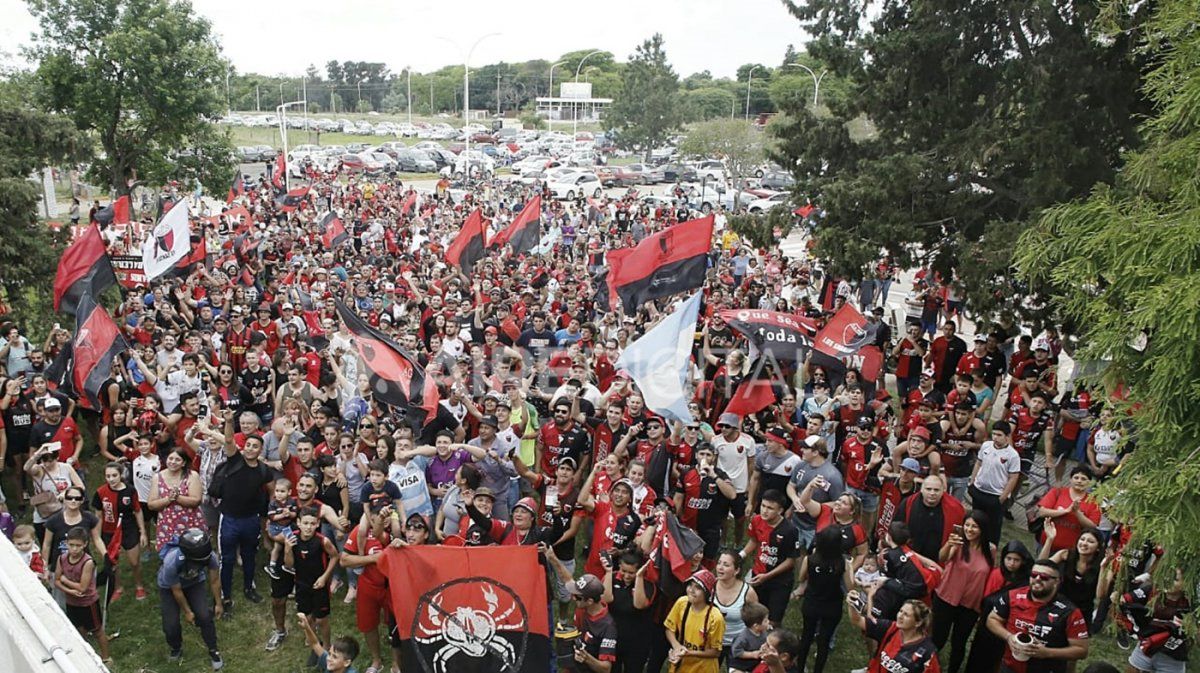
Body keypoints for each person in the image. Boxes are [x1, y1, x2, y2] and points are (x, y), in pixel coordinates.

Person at [214, 408, 275, 614]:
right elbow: (228, 440)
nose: (250, 449)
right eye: (248, 445)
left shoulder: (264, 470)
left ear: (260, 450)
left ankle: (249, 587)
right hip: (229, 519)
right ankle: (225, 594)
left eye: (255, 446)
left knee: (250, 555)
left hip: (250, 519)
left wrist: (271, 513)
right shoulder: (235, 459)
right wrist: (229, 421)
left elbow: (272, 491)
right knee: (227, 559)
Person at [986, 559, 1090, 673]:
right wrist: (1009, 637)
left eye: (1044, 577)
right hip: (1009, 667)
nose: (1038, 579)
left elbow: (1081, 650)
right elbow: (992, 619)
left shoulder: (1069, 612)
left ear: (1057, 581)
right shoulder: (1012, 596)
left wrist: (1047, 653)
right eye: (1034, 575)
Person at [933, 511, 995, 673]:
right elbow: (942, 557)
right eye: (967, 525)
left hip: (970, 605)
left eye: (974, 526)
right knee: (937, 639)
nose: (969, 529)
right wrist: (949, 544)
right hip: (946, 598)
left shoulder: (991, 550)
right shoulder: (958, 543)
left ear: (982, 529)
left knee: (959, 643)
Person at [158, 527, 223, 669]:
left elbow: (214, 581)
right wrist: (187, 611)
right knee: (171, 624)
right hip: (169, 588)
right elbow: (176, 590)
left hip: (195, 583)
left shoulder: (210, 556)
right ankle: (176, 647)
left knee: (204, 616)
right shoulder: (171, 562)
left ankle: (213, 649)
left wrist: (218, 603)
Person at [794, 527, 854, 673]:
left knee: (806, 636)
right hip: (832, 606)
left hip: (812, 603)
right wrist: (851, 568)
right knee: (824, 642)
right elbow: (850, 587)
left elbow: (801, 578)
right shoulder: (842, 563)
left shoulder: (810, 559)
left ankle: (799, 668)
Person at [740, 489, 800, 626]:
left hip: (779, 581)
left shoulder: (789, 531)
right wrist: (741, 555)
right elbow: (754, 540)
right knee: (754, 615)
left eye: (770, 508)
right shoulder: (756, 520)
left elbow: (791, 561)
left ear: (780, 510)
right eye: (763, 506)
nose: (765, 511)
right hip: (758, 575)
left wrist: (767, 576)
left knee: (773, 620)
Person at [92, 461, 149, 601]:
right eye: (108, 476)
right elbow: (98, 516)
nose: (111, 479)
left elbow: (137, 511)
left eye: (114, 475)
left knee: (134, 562)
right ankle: (118, 587)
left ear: (120, 475)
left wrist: (142, 532)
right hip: (109, 532)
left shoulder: (130, 491)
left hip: (129, 529)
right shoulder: (100, 492)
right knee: (113, 563)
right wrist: (97, 536)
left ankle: (139, 585)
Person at [56, 527, 111, 665]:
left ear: (85, 544)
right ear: (66, 543)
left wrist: (65, 580)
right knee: (80, 631)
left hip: (88, 602)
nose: (74, 549)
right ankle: (87, 656)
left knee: (97, 631)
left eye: (78, 545)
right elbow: (56, 581)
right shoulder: (62, 559)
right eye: (71, 545)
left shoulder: (88, 562)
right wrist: (69, 591)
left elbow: (82, 587)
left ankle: (106, 657)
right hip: (71, 602)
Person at [846, 596, 941, 673]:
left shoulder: (928, 652)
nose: (900, 616)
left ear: (918, 623)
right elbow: (857, 620)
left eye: (906, 615)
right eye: (900, 611)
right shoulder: (890, 628)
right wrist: (852, 604)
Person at [970, 421, 1022, 547]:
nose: (995, 438)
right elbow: (978, 463)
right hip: (979, 491)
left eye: (999, 435)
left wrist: (1002, 498)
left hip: (995, 496)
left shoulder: (1013, 455)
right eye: (994, 434)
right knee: (975, 523)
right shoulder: (986, 446)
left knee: (992, 529)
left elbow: (1013, 478)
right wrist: (972, 483)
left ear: (1007, 436)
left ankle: (990, 552)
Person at [664, 569, 725, 673]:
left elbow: (715, 652)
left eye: (698, 588)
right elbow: (669, 628)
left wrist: (688, 653)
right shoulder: (682, 603)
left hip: (704, 669)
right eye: (690, 585)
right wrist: (677, 647)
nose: (691, 590)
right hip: (681, 666)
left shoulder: (715, 618)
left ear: (707, 593)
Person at [1034, 466, 1101, 556]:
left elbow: (1092, 526)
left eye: (1083, 479)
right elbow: (1042, 512)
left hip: (1070, 551)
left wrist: (1077, 513)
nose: (1079, 481)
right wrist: (1065, 511)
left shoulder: (1093, 502)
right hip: (1046, 544)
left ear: (1089, 482)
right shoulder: (1057, 492)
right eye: (1076, 478)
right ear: (1070, 479)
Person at [713, 549, 759, 662]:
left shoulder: (748, 592)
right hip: (712, 643)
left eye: (726, 565)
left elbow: (756, 619)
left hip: (738, 644)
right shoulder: (710, 586)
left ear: (736, 570)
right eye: (719, 563)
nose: (720, 567)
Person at [729, 603, 770, 671]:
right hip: (741, 664)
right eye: (765, 621)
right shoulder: (743, 638)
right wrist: (752, 654)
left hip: (756, 661)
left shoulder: (764, 631)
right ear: (756, 626)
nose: (768, 622)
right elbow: (736, 652)